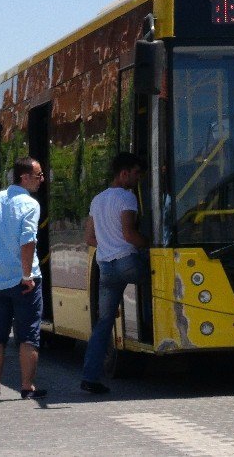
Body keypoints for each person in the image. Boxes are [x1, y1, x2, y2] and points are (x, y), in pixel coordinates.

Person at [0, 157, 46, 401]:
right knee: (28, 335)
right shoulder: (29, 204)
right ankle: (27, 387)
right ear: (24, 178)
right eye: (38, 176)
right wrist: (26, 275)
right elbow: (28, 241)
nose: (42, 180)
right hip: (24, 282)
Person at [80, 152, 149, 394]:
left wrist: (108, 245)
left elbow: (89, 238)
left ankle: (90, 377)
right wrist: (150, 245)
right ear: (124, 173)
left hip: (106, 268)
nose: (138, 178)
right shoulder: (127, 198)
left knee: (103, 322)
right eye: (136, 173)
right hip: (127, 262)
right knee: (158, 274)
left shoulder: (97, 200)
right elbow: (130, 235)